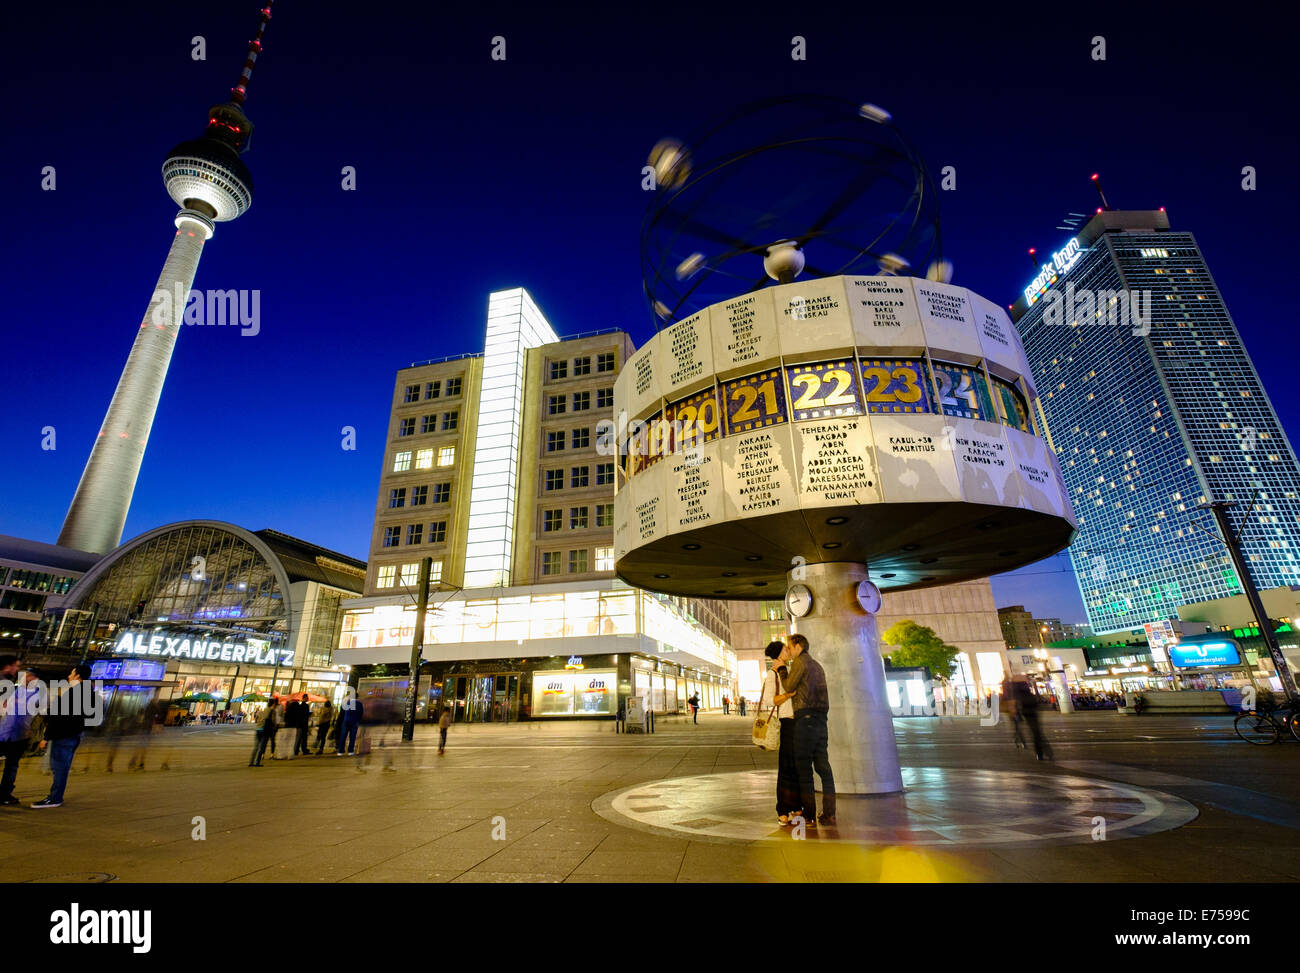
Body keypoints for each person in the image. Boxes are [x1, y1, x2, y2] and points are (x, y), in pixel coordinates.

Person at [772, 634, 835, 827]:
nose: (788, 651)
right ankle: (830, 813)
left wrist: (782, 669)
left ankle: (808, 816)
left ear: (798, 646)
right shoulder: (817, 666)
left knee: (804, 770)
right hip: (821, 720)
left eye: (790, 647)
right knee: (824, 768)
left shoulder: (801, 662)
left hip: (805, 720)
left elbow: (789, 685)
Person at [33, 664, 94, 808]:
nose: (69, 676)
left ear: (78, 676)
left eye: (71, 674)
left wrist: (46, 737)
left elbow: (57, 717)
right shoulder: (89, 693)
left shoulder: (72, 693)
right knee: (63, 767)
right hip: (74, 735)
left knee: (59, 767)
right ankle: (56, 796)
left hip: (63, 736)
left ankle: (55, 798)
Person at [760, 641, 800, 826]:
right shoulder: (772, 674)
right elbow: (770, 701)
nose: (788, 650)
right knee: (786, 768)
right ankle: (782, 809)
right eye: (785, 649)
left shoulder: (788, 669)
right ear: (778, 653)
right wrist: (789, 695)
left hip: (797, 722)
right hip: (785, 723)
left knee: (796, 766)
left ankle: (796, 806)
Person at [0, 656, 39, 807]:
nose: (26, 677)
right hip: (3, 733)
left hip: (19, 735)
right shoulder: (14, 689)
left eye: (30, 676)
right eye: (25, 674)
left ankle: (5, 793)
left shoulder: (38, 694)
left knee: (11, 765)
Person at [1011, 678, 1051, 760]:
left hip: (1028, 712)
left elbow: (1018, 703)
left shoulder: (1017, 692)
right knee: (1037, 733)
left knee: (1036, 733)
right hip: (1031, 712)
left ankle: (1041, 752)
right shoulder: (1024, 692)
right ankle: (1043, 752)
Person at [249, 698, 280, 766]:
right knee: (261, 747)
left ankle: (251, 762)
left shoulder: (261, 711)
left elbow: (256, 720)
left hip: (258, 729)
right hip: (265, 731)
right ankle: (257, 762)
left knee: (256, 747)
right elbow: (273, 721)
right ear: (273, 704)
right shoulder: (273, 711)